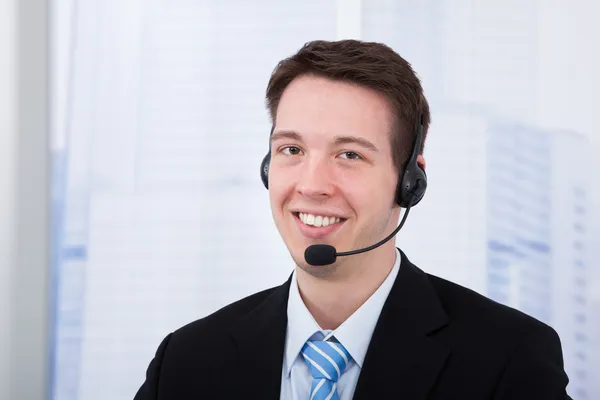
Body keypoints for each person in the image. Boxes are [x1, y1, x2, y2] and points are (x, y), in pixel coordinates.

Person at [133, 39, 571, 399]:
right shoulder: (187, 361)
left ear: (409, 181)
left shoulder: (508, 359)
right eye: (292, 150)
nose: (312, 184)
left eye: (349, 154)